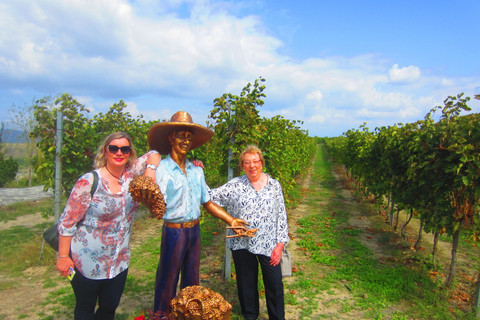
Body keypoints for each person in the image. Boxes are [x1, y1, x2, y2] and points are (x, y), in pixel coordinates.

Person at [146, 111, 252, 317]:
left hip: (194, 231)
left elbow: (207, 202)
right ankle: (161, 315)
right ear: (171, 138)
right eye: (181, 135)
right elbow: (152, 202)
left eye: (189, 136)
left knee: (192, 281)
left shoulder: (197, 171)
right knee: (167, 278)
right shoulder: (162, 169)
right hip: (173, 232)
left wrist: (231, 219)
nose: (185, 140)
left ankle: (188, 315)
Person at [55, 131, 161, 320]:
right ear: (105, 151)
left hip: (118, 261)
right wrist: (63, 256)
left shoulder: (131, 174)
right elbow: (67, 222)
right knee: (85, 308)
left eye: (125, 149)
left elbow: (154, 153)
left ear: (130, 152)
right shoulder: (89, 182)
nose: (119, 153)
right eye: (114, 148)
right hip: (86, 262)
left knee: (109, 308)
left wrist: (150, 170)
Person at [210, 145, 289, 320]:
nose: (252, 166)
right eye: (247, 162)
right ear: (242, 166)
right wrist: (196, 172)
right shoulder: (235, 185)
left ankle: (277, 317)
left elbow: (281, 216)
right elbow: (209, 196)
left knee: (274, 282)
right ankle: (250, 315)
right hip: (241, 242)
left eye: (255, 161)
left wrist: (280, 244)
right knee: (246, 282)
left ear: (261, 162)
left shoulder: (274, 186)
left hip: (269, 243)